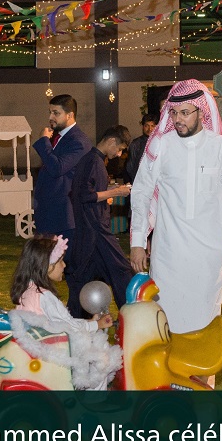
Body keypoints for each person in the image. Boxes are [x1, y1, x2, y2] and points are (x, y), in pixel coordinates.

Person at [129, 79, 222, 336]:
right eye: (173, 113)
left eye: (184, 113)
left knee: (206, 319)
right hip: (168, 252)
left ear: (201, 112)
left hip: (210, 253)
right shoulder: (161, 145)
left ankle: (203, 364)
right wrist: (137, 242)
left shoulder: (221, 147)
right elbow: (141, 192)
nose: (178, 119)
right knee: (165, 318)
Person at [9, 235, 121, 390]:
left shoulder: (29, 290)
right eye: (60, 261)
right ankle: (95, 399)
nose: (64, 265)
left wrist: (91, 322)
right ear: (48, 266)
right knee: (102, 358)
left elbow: (60, 322)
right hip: (57, 352)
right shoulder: (45, 297)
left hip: (42, 346)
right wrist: (96, 325)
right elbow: (69, 327)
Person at [67, 125, 134, 315]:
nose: (119, 154)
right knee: (122, 271)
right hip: (96, 230)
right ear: (111, 141)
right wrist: (116, 192)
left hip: (89, 230)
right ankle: (131, 315)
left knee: (83, 279)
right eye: (119, 149)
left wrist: (107, 194)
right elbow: (85, 195)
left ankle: (76, 320)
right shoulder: (93, 161)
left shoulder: (91, 160)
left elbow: (88, 193)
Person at [32, 94, 93, 244]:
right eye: (50, 112)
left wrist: (44, 141)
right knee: (45, 256)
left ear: (69, 115)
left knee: (61, 257)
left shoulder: (78, 141)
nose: (50, 117)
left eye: (56, 113)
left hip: (62, 215)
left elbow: (57, 168)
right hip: (50, 211)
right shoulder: (59, 137)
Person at [124, 113, 158, 183]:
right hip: (139, 181)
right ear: (143, 126)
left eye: (152, 126)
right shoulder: (136, 144)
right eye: (146, 126)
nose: (150, 129)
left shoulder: (160, 143)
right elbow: (130, 166)